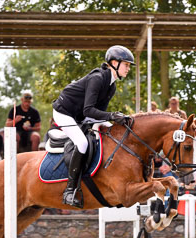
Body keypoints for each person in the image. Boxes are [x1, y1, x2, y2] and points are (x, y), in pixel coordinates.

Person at [52, 45, 134, 208]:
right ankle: (70, 191)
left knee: (111, 131)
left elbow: (98, 113)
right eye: (126, 64)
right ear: (114, 63)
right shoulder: (97, 78)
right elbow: (88, 109)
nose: (128, 68)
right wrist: (112, 115)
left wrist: (115, 122)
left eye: (129, 65)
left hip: (81, 115)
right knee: (82, 143)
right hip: (64, 112)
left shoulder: (112, 85)